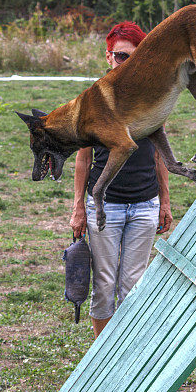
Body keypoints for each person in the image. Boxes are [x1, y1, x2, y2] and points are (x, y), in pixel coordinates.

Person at [70, 21, 173, 338]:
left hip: (144, 207)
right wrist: (77, 208)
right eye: (120, 57)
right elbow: (84, 158)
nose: (125, 64)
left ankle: (125, 357)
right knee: (104, 286)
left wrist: (165, 202)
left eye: (134, 57)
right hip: (105, 209)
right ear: (108, 57)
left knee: (133, 286)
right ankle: (101, 359)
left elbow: (159, 154)